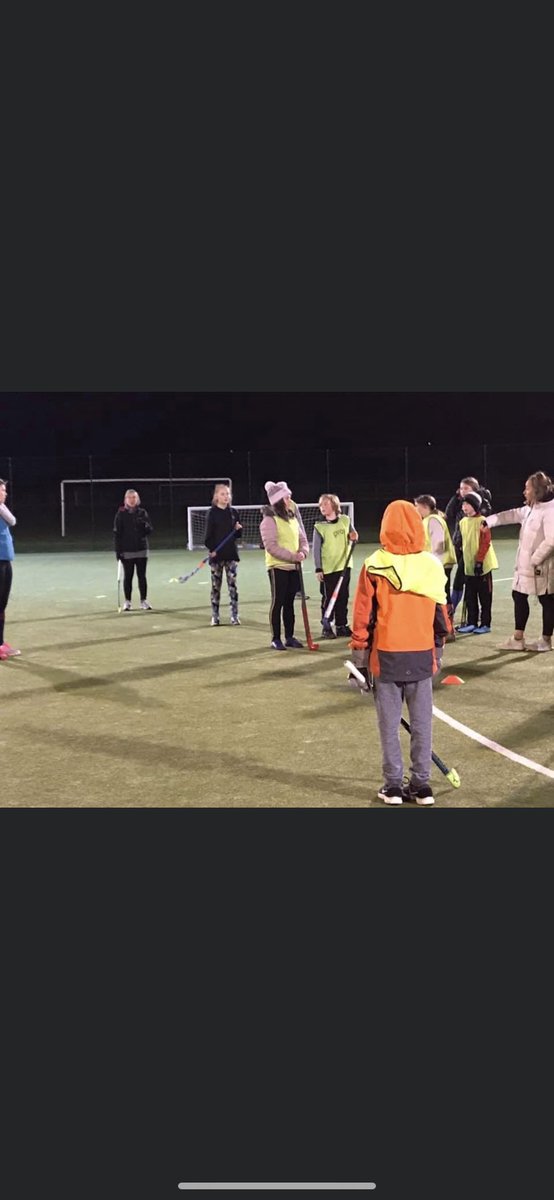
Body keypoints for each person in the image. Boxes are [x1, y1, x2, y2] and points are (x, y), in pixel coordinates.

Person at [349, 499, 449, 805]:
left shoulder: (374, 564)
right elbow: (441, 616)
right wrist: (439, 650)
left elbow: (363, 616)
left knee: (389, 727)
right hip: (421, 654)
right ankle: (421, 786)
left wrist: (359, 661)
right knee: (422, 725)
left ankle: (393, 785)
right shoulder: (430, 564)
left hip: (387, 657)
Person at [484, 471, 554, 652]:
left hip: (542, 566)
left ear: (537, 490)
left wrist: (535, 559)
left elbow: (551, 540)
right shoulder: (532, 508)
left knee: (547, 599)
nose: (524, 492)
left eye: (527, 488)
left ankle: (546, 640)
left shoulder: (550, 510)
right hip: (526, 566)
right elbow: (511, 515)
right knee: (519, 595)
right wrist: (488, 521)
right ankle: (518, 638)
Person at [259, 481, 309, 650]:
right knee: (278, 602)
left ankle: (289, 636)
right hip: (278, 567)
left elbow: (302, 537)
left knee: (289, 603)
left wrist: (303, 552)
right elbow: (271, 546)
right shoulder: (269, 520)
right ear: (279, 499)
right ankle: (275, 638)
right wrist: (293, 556)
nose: (290, 499)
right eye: (287, 496)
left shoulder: (292, 516)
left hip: (294, 567)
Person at [445, 476, 492, 616]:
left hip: (471, 548)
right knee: (447, 575)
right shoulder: (460, 501)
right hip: (458, 544)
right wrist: (456, 497)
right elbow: (448, 514)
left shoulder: (481, 503)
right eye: (461, 488)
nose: (462, 491)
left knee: (460, 579)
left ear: (475, 490)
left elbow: (483, 517)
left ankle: (451, 611)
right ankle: (450, 609)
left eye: (466, 488)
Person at [313, 493, 359, 638]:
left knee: (343, 597)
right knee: (328, 598)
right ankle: (327, 626)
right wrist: (318, 568)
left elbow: (353, 534)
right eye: (321, 505)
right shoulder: (319, 527)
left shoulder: (345, 520)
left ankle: (341, 625)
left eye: (325, 504)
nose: (322, 507)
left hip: (344, 566)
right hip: (328, 568)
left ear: (334, 504)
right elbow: (316, 549)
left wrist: (354, 536)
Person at [456, 491, 498, 634]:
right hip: (469, 566)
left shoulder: (483, 521)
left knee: (485, 596)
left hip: (483, 565)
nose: (464, 507)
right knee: (470, 595)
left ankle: (485, 623)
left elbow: (485, 543)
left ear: (475, 505)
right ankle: (472, 622)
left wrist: (479, 562)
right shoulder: (462, 522)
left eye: (467, 504)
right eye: (463, 504)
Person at [204, 483, 242, 626]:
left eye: (227, 494)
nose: (226, 497)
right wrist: (212, 549)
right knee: (216, 587)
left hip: (231, 554)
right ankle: (215, 615)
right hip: (216, 556)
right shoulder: (212, 513)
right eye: (223, 494)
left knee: (233, 586)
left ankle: (234, 615)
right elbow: (208, 536)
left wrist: (238, 529)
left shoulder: (233, 512)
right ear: (216, 496)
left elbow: (237, 535)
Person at [113, 488, 154, 611]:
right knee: (128, 576)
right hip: (127, 551)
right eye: (129, 498)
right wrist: (118, 551)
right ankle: (128, 601)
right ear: (125, 500)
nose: (132, 500)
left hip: (141, 549)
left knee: (142, 576)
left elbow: (150, 530)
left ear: (137, 499)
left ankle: (143, 600)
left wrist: (144, 526)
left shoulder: (142, 512)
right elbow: (117, 533)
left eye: (134, 497)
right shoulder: (120, 514)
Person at [414, 494, 457, 607]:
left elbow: (438, 544)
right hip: (438, 562)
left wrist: (433, 564)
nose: (415, 509)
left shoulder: (433, 520)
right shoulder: (429, 519)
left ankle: (447, 620)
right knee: (441, 593)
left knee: (442, 593)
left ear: (424, 506)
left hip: (441, 563)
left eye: (416, 506)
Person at [0, 479, 20, 660]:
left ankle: (0, 641)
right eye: (2, 490)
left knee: (2, 604)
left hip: (6, 560)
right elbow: (12, 521)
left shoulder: (1, 507)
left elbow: (12, 520)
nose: (5, 493)